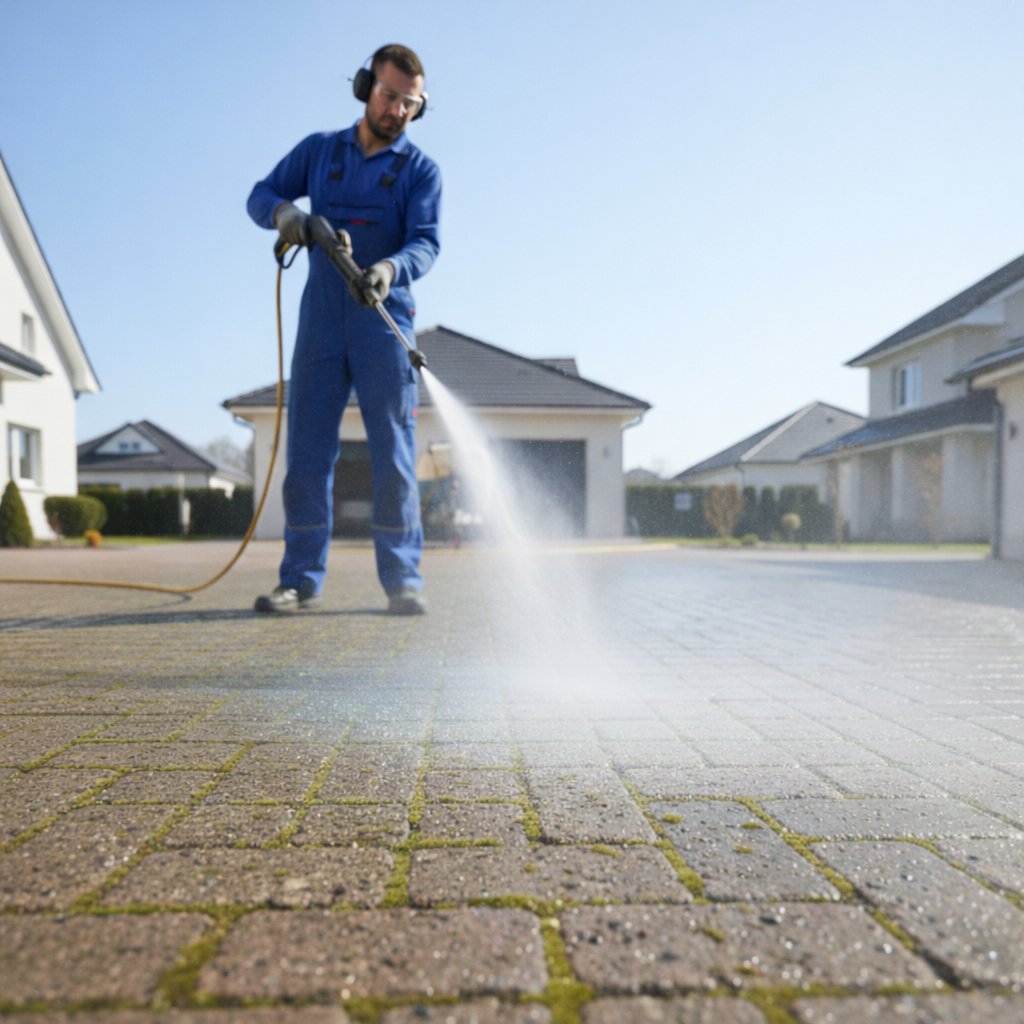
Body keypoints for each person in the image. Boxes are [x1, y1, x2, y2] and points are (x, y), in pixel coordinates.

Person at [247, 44, 440, 615]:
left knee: (395, 455)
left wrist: (388, 268)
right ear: (364, 87)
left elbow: (426, 242)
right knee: (307, 454)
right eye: (389, 95)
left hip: (385, 321)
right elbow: (261, 194)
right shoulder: (319, 151)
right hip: (321, 323)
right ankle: (300, 580)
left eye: (410, 102)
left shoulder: (420, 171)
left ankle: (403, 579)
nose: (397, 110)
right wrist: (287, 216)